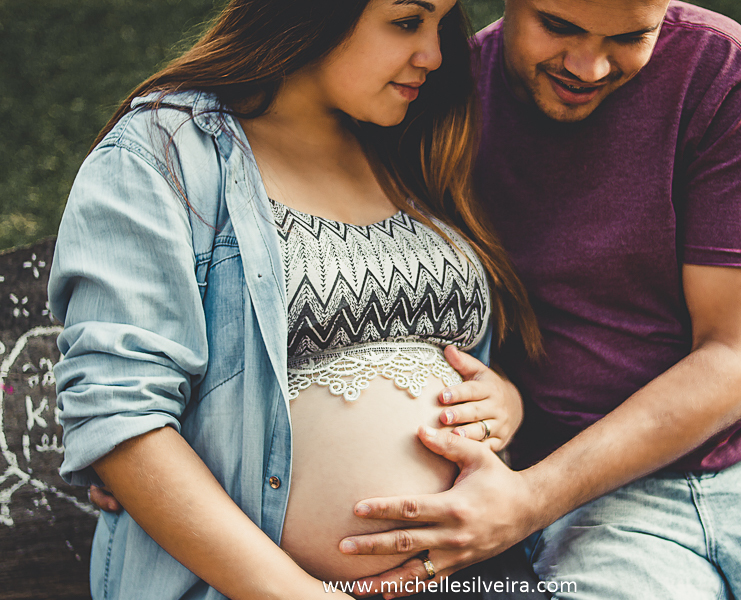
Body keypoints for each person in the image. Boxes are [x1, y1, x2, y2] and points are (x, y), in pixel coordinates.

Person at [336, 1, 741, 597]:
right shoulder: (446, 98)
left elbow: (735, 357)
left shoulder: (723, 71)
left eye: (630, 37)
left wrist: (527, 501)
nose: (590, 67)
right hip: (586, 483)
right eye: (558, 27)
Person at [48, 0, 541, 598]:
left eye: (441, 24)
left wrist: (502, 400)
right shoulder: (169, 148)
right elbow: (122, 416)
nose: (434, 55)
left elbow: (460, 351)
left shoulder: (410, 143)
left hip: (479, 576)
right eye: (408, 21)